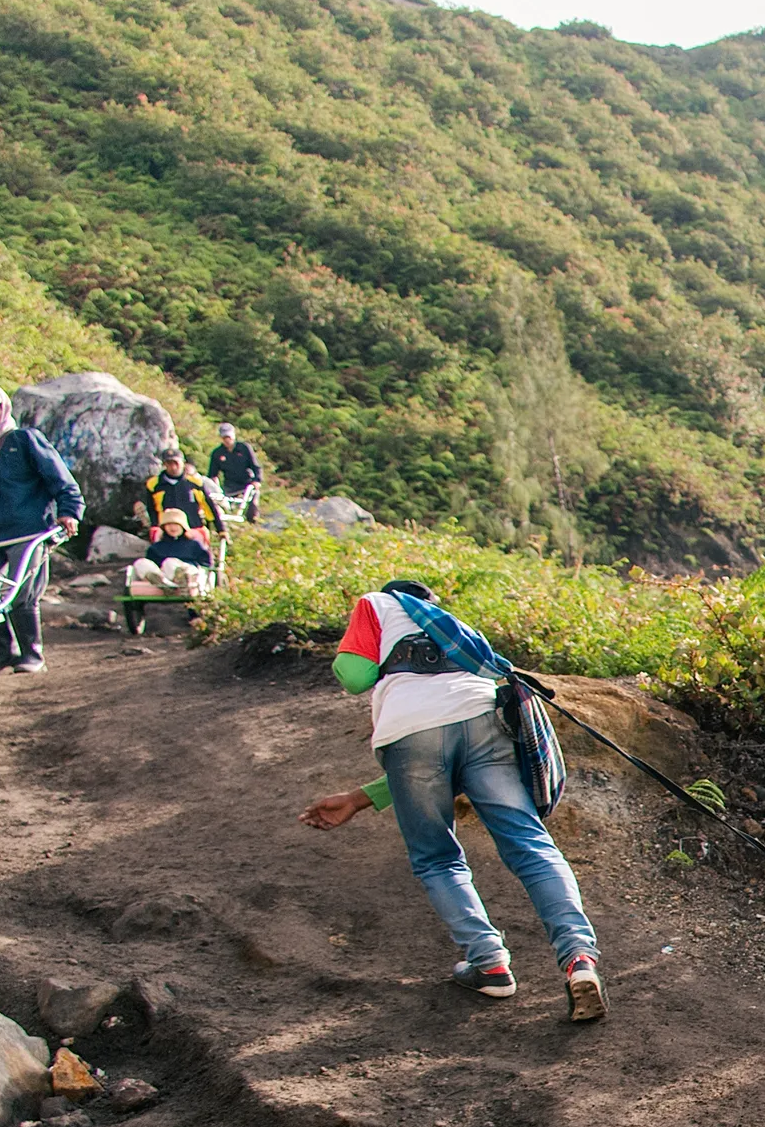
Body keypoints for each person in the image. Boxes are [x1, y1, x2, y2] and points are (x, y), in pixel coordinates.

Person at [296, 584, 604, 1021]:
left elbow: (353, 675)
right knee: (531, 845)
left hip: (411, 736)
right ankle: (579, 960)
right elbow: (451, 750)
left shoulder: (377, 603)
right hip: (482, 720)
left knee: (437, 858)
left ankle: (489, 963)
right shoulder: (450, 631)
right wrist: (359, 799)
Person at [0, 381, 82, 675]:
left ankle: (32, 653)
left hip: (28, 529)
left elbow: (60, 479)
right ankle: (2, 651)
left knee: (24, 592)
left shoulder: (25, 440)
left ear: (3, 409)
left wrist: (69, 512)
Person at [122, 507, 215, 631]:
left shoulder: (193, 545)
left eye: (176, 524)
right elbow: (152, 563)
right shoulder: (157, 547)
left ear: (183, 526)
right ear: (164, 527)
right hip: (165, 575)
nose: (173, 527)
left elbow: (206, 564)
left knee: (170, 562)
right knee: (141, 563)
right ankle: (163, 583)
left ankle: (179, 579)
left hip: (189, 571)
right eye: (169, 524)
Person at [138, 447, 223, 543]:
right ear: (164, 465)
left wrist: (221, 529)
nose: (173, 467)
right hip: (167, 531)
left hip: (192, 529)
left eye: (176, 463)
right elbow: (151, 509)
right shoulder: (154, 484)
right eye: (169, 463)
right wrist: (155, 526)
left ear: (183, 463)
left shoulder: (195, 483)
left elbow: (209, 507)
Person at [205, 421, 260, 519]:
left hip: (247, 483)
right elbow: (213, 473)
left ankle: (252, 518)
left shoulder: (244, 448)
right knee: (223, 505)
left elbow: (255, 466)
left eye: (229, 437)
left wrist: (257, 480)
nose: (227, 440)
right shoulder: (217, 453)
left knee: (252, 504)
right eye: (224, 438)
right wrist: (214, 485)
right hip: (230, 484)